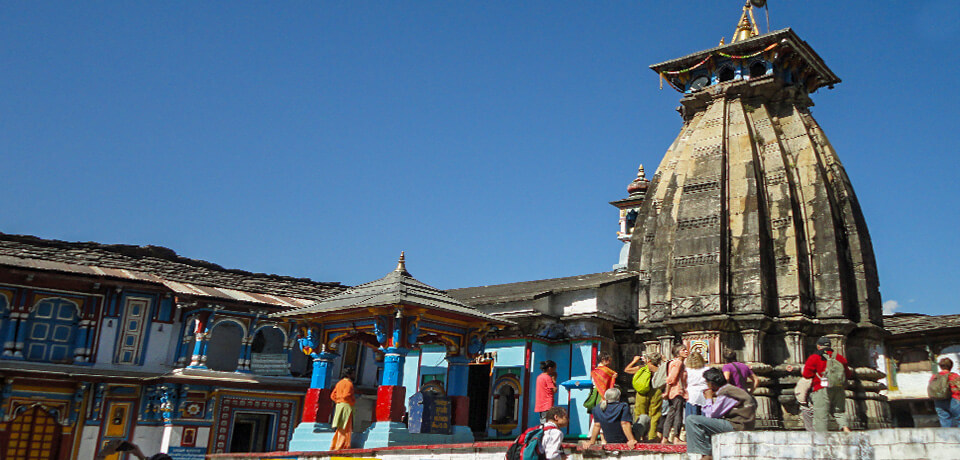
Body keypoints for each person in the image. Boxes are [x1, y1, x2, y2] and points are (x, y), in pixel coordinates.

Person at [684, 368, 756, 460]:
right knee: (704, 426)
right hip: (745, 424)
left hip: (737, 425)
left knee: (692, 420)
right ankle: (708, 452)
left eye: (707, 383)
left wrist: (708, 398)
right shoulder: (734, 389)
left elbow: (711, 415)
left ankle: (706, 454)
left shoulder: (726, 392)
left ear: (712, 384)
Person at [802, 337, 852, 432]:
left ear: (818, 346)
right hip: (839, 388)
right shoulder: (839, 357)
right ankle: (846, 429)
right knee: (839, 412)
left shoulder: (814, 357)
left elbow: (806, 375)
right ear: (830, 346)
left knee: (821, 415)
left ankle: (821, 440)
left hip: (821, 389)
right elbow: (848, 374)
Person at [626, 351, 663, 441]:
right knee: (654, 415)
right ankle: (652, 436)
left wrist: (634, 361)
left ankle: (640, 436)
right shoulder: (659, 369)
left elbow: (627, 370)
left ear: (649, 360)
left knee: (640, 415)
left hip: (642, 393)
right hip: (656, 392)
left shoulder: (642, 368)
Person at [662, 343, 688, 444]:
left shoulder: (674, 362)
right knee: (678, 414)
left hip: (674, 392)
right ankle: (676, 437)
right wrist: (666, 392)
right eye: (683, 350)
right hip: (677, 392)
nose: (686, 351)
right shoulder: (678, 363)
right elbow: (671, 378)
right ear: (678, 352)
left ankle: (665, 437)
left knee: (671, 414)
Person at [330, 366, 357, 450]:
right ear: (349, 374)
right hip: (346, 406)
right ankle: (343, 445)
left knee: (340, 426)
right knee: (346, 426)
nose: (354, 375)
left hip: (339, 405)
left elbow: (332, 396)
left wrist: (338, 400)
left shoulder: (339, 383)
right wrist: (352, 401)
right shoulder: (349, 383)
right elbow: (346, 395)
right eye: (353, 373)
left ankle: (335, 444)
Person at [930, 357, 960, 427]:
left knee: (945, 422)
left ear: (940, 366)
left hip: (939, 402)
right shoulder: (953, 376)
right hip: (954, 400)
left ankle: (947, 437)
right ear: (951, 366)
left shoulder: (934, 377)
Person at [685, 351, 709, 418]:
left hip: (691, 393)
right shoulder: (707, 369)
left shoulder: (686, 370)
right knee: (704, 417)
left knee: (692, 417)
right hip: (704, 393)